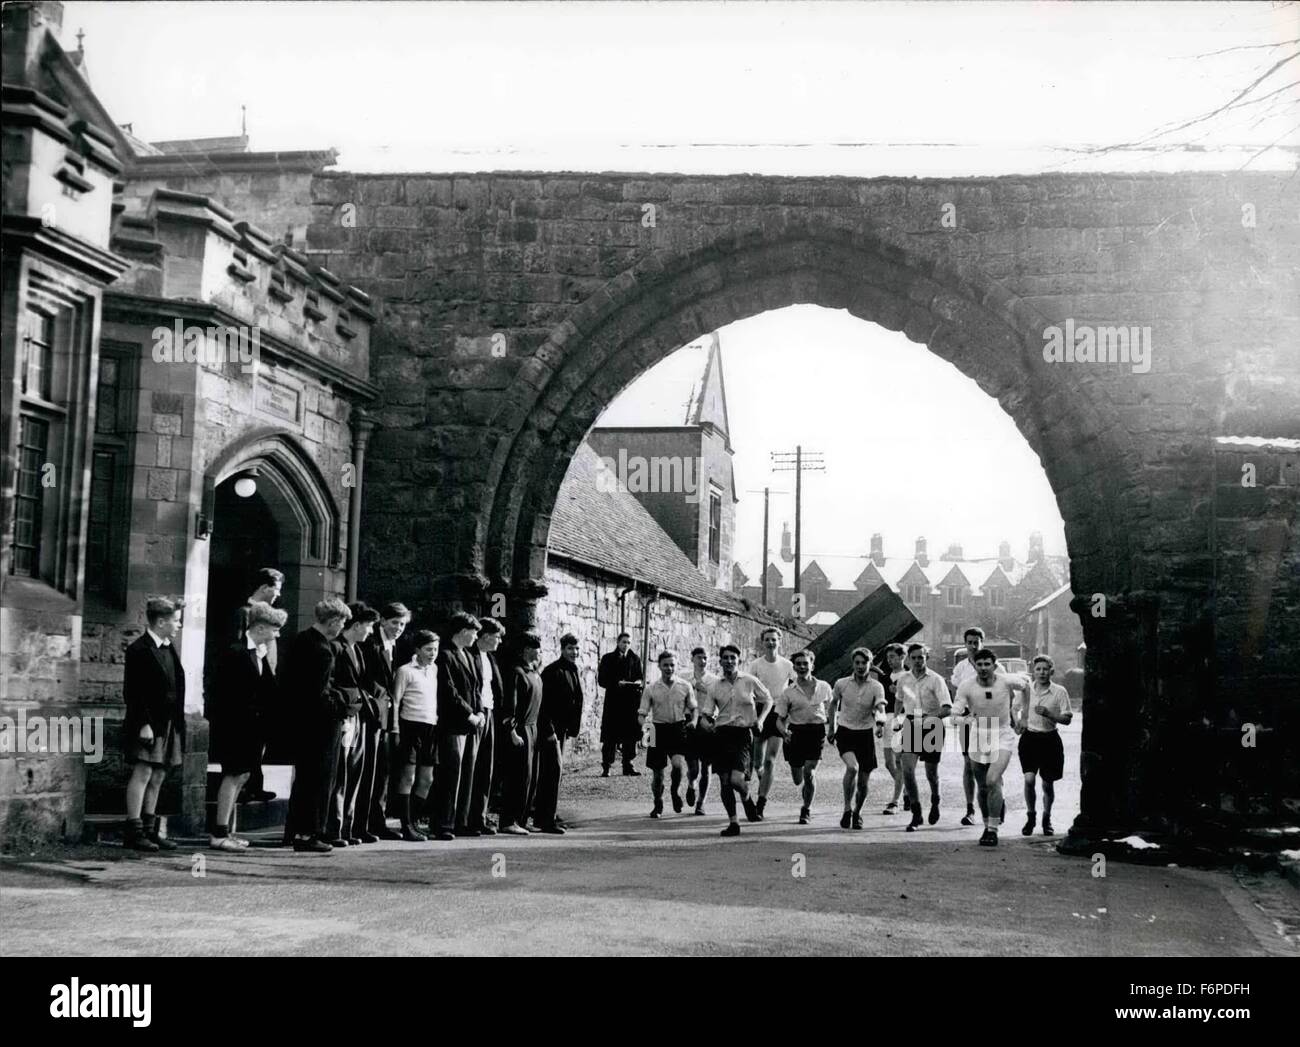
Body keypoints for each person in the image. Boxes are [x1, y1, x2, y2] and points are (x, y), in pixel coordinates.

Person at [209, 600, 287, 850]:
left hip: (251, 729)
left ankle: (226, 831)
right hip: (236, 728)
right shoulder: (235, 651)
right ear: (261, 628)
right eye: (275, 630)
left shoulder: (257, 654)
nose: (277, 635)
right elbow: (224, 694)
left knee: (241, 776)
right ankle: (219, 833)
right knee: (233, 775)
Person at [285, 597, 352, 853]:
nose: (342, 628)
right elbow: (320, 692)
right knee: (321, 778)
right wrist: (341, 708)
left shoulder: (302, 639)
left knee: (304, 778)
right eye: (342, 622)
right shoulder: (323, 649)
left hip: (301, 721)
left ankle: (299, 832)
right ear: (333, 621)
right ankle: (310, 832)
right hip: (321, 724)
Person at [122, 597, 186, 852]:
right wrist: (143, 724)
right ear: (161, 622)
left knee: (159, 774)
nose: (179, 626)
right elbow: (133, 693)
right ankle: (133, 830)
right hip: (148, 723)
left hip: (168, 721)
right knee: (143, 772)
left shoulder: (169, 647)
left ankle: (150, 830)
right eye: (176, 621)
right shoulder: (139, 649)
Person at [952, 648, 1029, 846]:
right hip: (979, 734)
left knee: (992, 779)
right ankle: (987, 825)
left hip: (1002, 733)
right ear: (975, 666)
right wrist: (963, 718)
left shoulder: (1005, 680)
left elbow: (1026, 686)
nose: (984, 668)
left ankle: (993, 829)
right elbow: (956, 712)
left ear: (995, 666)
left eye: (988, 664)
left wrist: (1023, 716)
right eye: (980, 664)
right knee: (983, 785)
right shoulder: (966, 685)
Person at [696, 644, 772, 837]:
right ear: (720, 661)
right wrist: (707, 724)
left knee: (737, 780)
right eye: (726, 658)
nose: (729, 661)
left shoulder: (749, 681)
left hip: (743, 734)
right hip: (721, 734)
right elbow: (706, 713)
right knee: (724, 782)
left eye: (733, 658)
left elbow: (768, 699)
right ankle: (733, 822)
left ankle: (747, 798)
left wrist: (760, 720)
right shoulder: (714, 686)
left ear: (738, 661)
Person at [326, 602, 379, 846]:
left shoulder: (357, 649)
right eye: (368, 627)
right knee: (341, 773)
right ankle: (334, 828)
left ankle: (346, 827)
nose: (370, 632)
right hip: (343, 715)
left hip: (357, 716)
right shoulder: (336, 648)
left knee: (354, 771)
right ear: (356, 625)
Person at [232, 567, 284, 803]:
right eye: (276, 590)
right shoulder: (245, 612)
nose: (278, 596)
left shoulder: (271, 614)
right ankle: (247, 786)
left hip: (266, 680)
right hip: (251, 682)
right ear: (265, 587)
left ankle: (256, 784)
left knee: (261, 738)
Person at [359, 601, 409, 841]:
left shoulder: (397, 645)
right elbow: (367, 676)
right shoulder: (371, 643)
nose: (398, 628)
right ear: (382, 621)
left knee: (382, 770)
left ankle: (377, 821)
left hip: (387, 716)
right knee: (369, 768)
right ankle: (362, 823)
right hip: (371, 712)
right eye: (394, 623)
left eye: (402, 624)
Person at [433, 612, 484, 841]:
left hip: (470, 723)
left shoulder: (468, 655)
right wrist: (469, 714)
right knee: (450, 773)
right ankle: (443, 823)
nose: (475, 637)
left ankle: (459, 821)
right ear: (463, 631)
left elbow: (475, 688)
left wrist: (479, 711)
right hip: (453, 724)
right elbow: (449, 691)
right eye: (474, 633)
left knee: (466, 773)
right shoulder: (445, 655)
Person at [893, 643, 951, 832]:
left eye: (921, 657)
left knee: (931, 774)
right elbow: (899, 699)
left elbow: (947, 708)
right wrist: (896, 718)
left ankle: (935, 800)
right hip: (911, 724)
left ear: (927, 657)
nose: (918, 661)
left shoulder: (936, 679)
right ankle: (916, 813)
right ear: (908, 658)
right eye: (914, 657)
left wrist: (931, 718)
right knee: (907, 769)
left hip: (932, 726)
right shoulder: (904, 679)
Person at [829, 647, 886, 830]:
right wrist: (832, 727)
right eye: (857, 663)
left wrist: (879, 723)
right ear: (852, 664)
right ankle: (846, 808)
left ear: (870, 664)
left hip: (865, 734)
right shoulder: (842, 683)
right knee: (852, 767)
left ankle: (857, 812)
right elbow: (833, 703)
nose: (860, 666)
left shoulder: (876, 686)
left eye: (864, 663)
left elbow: (880, 707)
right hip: (845, 731)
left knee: (863, 781)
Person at [775, 650, 834, 825]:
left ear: (812, 665)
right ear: (794, 667)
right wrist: (784, 732)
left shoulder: (824, 687)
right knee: (797, 779)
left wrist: (833, 729)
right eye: (798, 664)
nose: (802, 667)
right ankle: (806, 791)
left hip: (816, 732)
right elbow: (780, 719)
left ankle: (806, 808)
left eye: (805, 663)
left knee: (809, 772)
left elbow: (832, 710)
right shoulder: (788, 692)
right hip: (795, 733)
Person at [391, 629, 439, 841]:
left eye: (435, 649)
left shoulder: (434, 669)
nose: (432, 653)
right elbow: (395, 701)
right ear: (417, 649)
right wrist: (395, 729)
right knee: (407, 777)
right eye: (428, 649)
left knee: (427, 779)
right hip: (410, 726)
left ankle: (415, 820)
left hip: (430, 727)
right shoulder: (405, 671)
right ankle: (406, 825)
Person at [535, 634, 585, 834]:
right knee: (551, 772)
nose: (575, 652)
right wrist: (549, 731)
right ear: (562, 649)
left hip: (562, 730)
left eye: (577, 649)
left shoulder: (572, 670)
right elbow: (543, 705)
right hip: (551, 731)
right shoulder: (552, 671)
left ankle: (548, 815)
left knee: (555, 773)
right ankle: (545, 819)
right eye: (571, 648)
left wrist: (572, 728)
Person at [1019, 654, 1072, 836]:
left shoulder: (1060, 691)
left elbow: (1067, 718)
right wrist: (1018, 722)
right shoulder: (1026, 690)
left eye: (1045, 669)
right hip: (1029, 739)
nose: (1041, 673)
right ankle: (1031, 816)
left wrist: (1049, 714)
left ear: (1052, 671)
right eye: (1038, 669)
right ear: (1033, 671)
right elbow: (1015, 709)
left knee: (1048, 784)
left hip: (1050, 740)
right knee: (1029, 779)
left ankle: (1046, 818)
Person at [638, 651, 696, 817]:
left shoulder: (685, 686)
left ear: (676, 666)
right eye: (665, 665)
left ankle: (675, 791)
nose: (669, 668)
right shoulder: (651, 688)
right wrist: (646, 728)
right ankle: (658, 802)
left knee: (678, 765)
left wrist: (694, 721)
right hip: (657, 729)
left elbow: (693, 708)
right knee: (658, 774)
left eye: (672, 665)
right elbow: (641, 714)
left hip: (678, 728)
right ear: (659, 666)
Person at [746, 627, 794, 820]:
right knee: (758, 762)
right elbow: (749, 689)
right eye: (767, 640)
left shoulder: (787, 664)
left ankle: (761, 802)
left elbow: (795, 685)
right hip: (760, 710)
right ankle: (762, 777)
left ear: (779, 642)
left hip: (778, 713)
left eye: (774, 640)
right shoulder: (756, 665)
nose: (771, 643)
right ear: (762, 642)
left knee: (770, 760)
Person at [499, 633, 545, 836]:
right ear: (526, 649)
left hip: (533, 729)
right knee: (517, 776)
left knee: (531, 777)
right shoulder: (516, 672)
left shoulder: (533, 673)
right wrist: (512, 731)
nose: (539, 651)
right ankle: (509, 820)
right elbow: (510, 705)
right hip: (520, 730)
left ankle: (523, 819)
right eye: (536, 647)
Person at [467, 617, 505, 836]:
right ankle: (468, 818)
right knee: (473, 766)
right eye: (497, 636)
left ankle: (479, 816)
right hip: (478, 713)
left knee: (485, 768)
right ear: (485, 636)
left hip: (489, 713)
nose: (499, 641)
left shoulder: (490, 658)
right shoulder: (471, 656)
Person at [950, 627, 989, 827]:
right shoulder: (960, 668)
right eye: (970, 642)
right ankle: (970, 809)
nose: (973, 646)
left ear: (983, 642)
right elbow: (958, 694)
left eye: (977, 642)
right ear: (965, 644)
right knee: (968, 763)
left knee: (989, 764)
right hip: (968, 719)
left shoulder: (993, 665)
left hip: (989, 720)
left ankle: (995, 803)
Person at [598, 632, 644, 776]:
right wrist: (616, 683)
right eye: (624, 642)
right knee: (610, 736)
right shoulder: (607, 659)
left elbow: (640, 678)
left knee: (630, 735)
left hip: (630, 703)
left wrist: (638, 683)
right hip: (614, 702)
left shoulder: (635, 659)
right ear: (618, 642)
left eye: (629, 642)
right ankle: (607, 765)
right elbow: (602, 680)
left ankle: (628, 765)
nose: (626, 645)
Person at [872, 644, 907, 815]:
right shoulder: (885, 678)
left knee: (899, 761)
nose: (890, 660)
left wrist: (901, 692)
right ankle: (907, 789)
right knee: (888, 762)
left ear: (902, 657)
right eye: (888, 658)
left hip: (903, 719)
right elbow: (881, 704)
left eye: (893, 657)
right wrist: (879, 722)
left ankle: (895, 800)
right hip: (888, 719)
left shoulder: (909, 675)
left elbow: (916, 699)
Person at [684, 647, 718, 815]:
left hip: (707, 723)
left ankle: (701, 802)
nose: (702, 661)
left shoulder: (714, 680)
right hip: (690, 723)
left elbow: (720, 701)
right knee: (693, 768)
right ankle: (691, 784)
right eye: (699, 657)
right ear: (692, 659)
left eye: (705, 658)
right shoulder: (683, 678)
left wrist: (713, 720)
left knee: (707, 767)